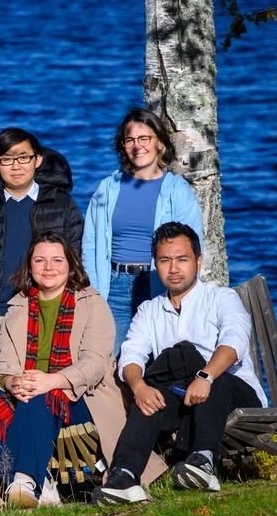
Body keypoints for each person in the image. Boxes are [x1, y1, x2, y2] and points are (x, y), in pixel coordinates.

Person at [0, 232, 165, 508]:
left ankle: (25, 480)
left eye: (56, 260)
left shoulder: (92, 303)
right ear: (30, 266)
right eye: (40, 260)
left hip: (81, 399)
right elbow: (3, 364)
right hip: (27, 395)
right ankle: (39, 484)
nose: (48, 267)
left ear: (71, 264)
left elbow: (95, 364)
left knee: (41, 394)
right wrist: (12, 381)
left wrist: (52, 380)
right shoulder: (18, 306)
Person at [93, 222, 268, 504]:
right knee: (151, 397)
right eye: (165, 260)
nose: (174, 268)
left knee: (199, 364)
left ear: (198, 261)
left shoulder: (221, 298)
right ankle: (124, 476)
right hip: (183, 398)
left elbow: (234, 341)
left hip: (234, 395)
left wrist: (206, 376)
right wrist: (138, 387)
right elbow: (131, 354)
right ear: (156, 265)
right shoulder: (149, 310)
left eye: (182, 259)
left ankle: (203, 461)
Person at [82, 108, 203, 355]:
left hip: (159, 285)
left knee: (157, 362)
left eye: (144, 138)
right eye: (130, 140)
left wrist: (183, 296)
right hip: (112, 288)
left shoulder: (177, 191)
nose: (137, 146)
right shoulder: (108, 188)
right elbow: (91, 245)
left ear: (159, 142)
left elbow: (192, 249)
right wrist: (92, 294)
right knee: (112, 363)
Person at [0, 129, 83, 350]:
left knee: (33, 382)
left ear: (38, 160)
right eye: (7, 159)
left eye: (24, 157)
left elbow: (76, 260)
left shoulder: (62, 204)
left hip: (47, 313)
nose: (16, 166)